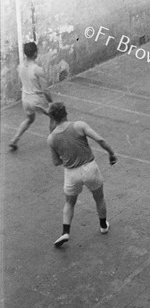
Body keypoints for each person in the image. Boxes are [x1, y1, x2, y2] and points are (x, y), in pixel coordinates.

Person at [46, 102, 117, 247]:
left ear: (52, 118)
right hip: (90, 168)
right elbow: (100, 140)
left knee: (69, 202)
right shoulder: (79, 125)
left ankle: (65, 232)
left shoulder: (51, 138)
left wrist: (66, 155)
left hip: (71, 173)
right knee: (99, 198)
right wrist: (111, 153)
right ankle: (103, 226)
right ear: (66, 113)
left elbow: (56, 162)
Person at [9, 42, 54, 150]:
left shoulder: (20, 67)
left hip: (25, 99)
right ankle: (54, 142)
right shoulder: (37, 69)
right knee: (54, 116)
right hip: (36, 99)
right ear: (35, 54)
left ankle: (15, 139)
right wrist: (51, 102)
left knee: (29, 119)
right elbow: (45, 90)